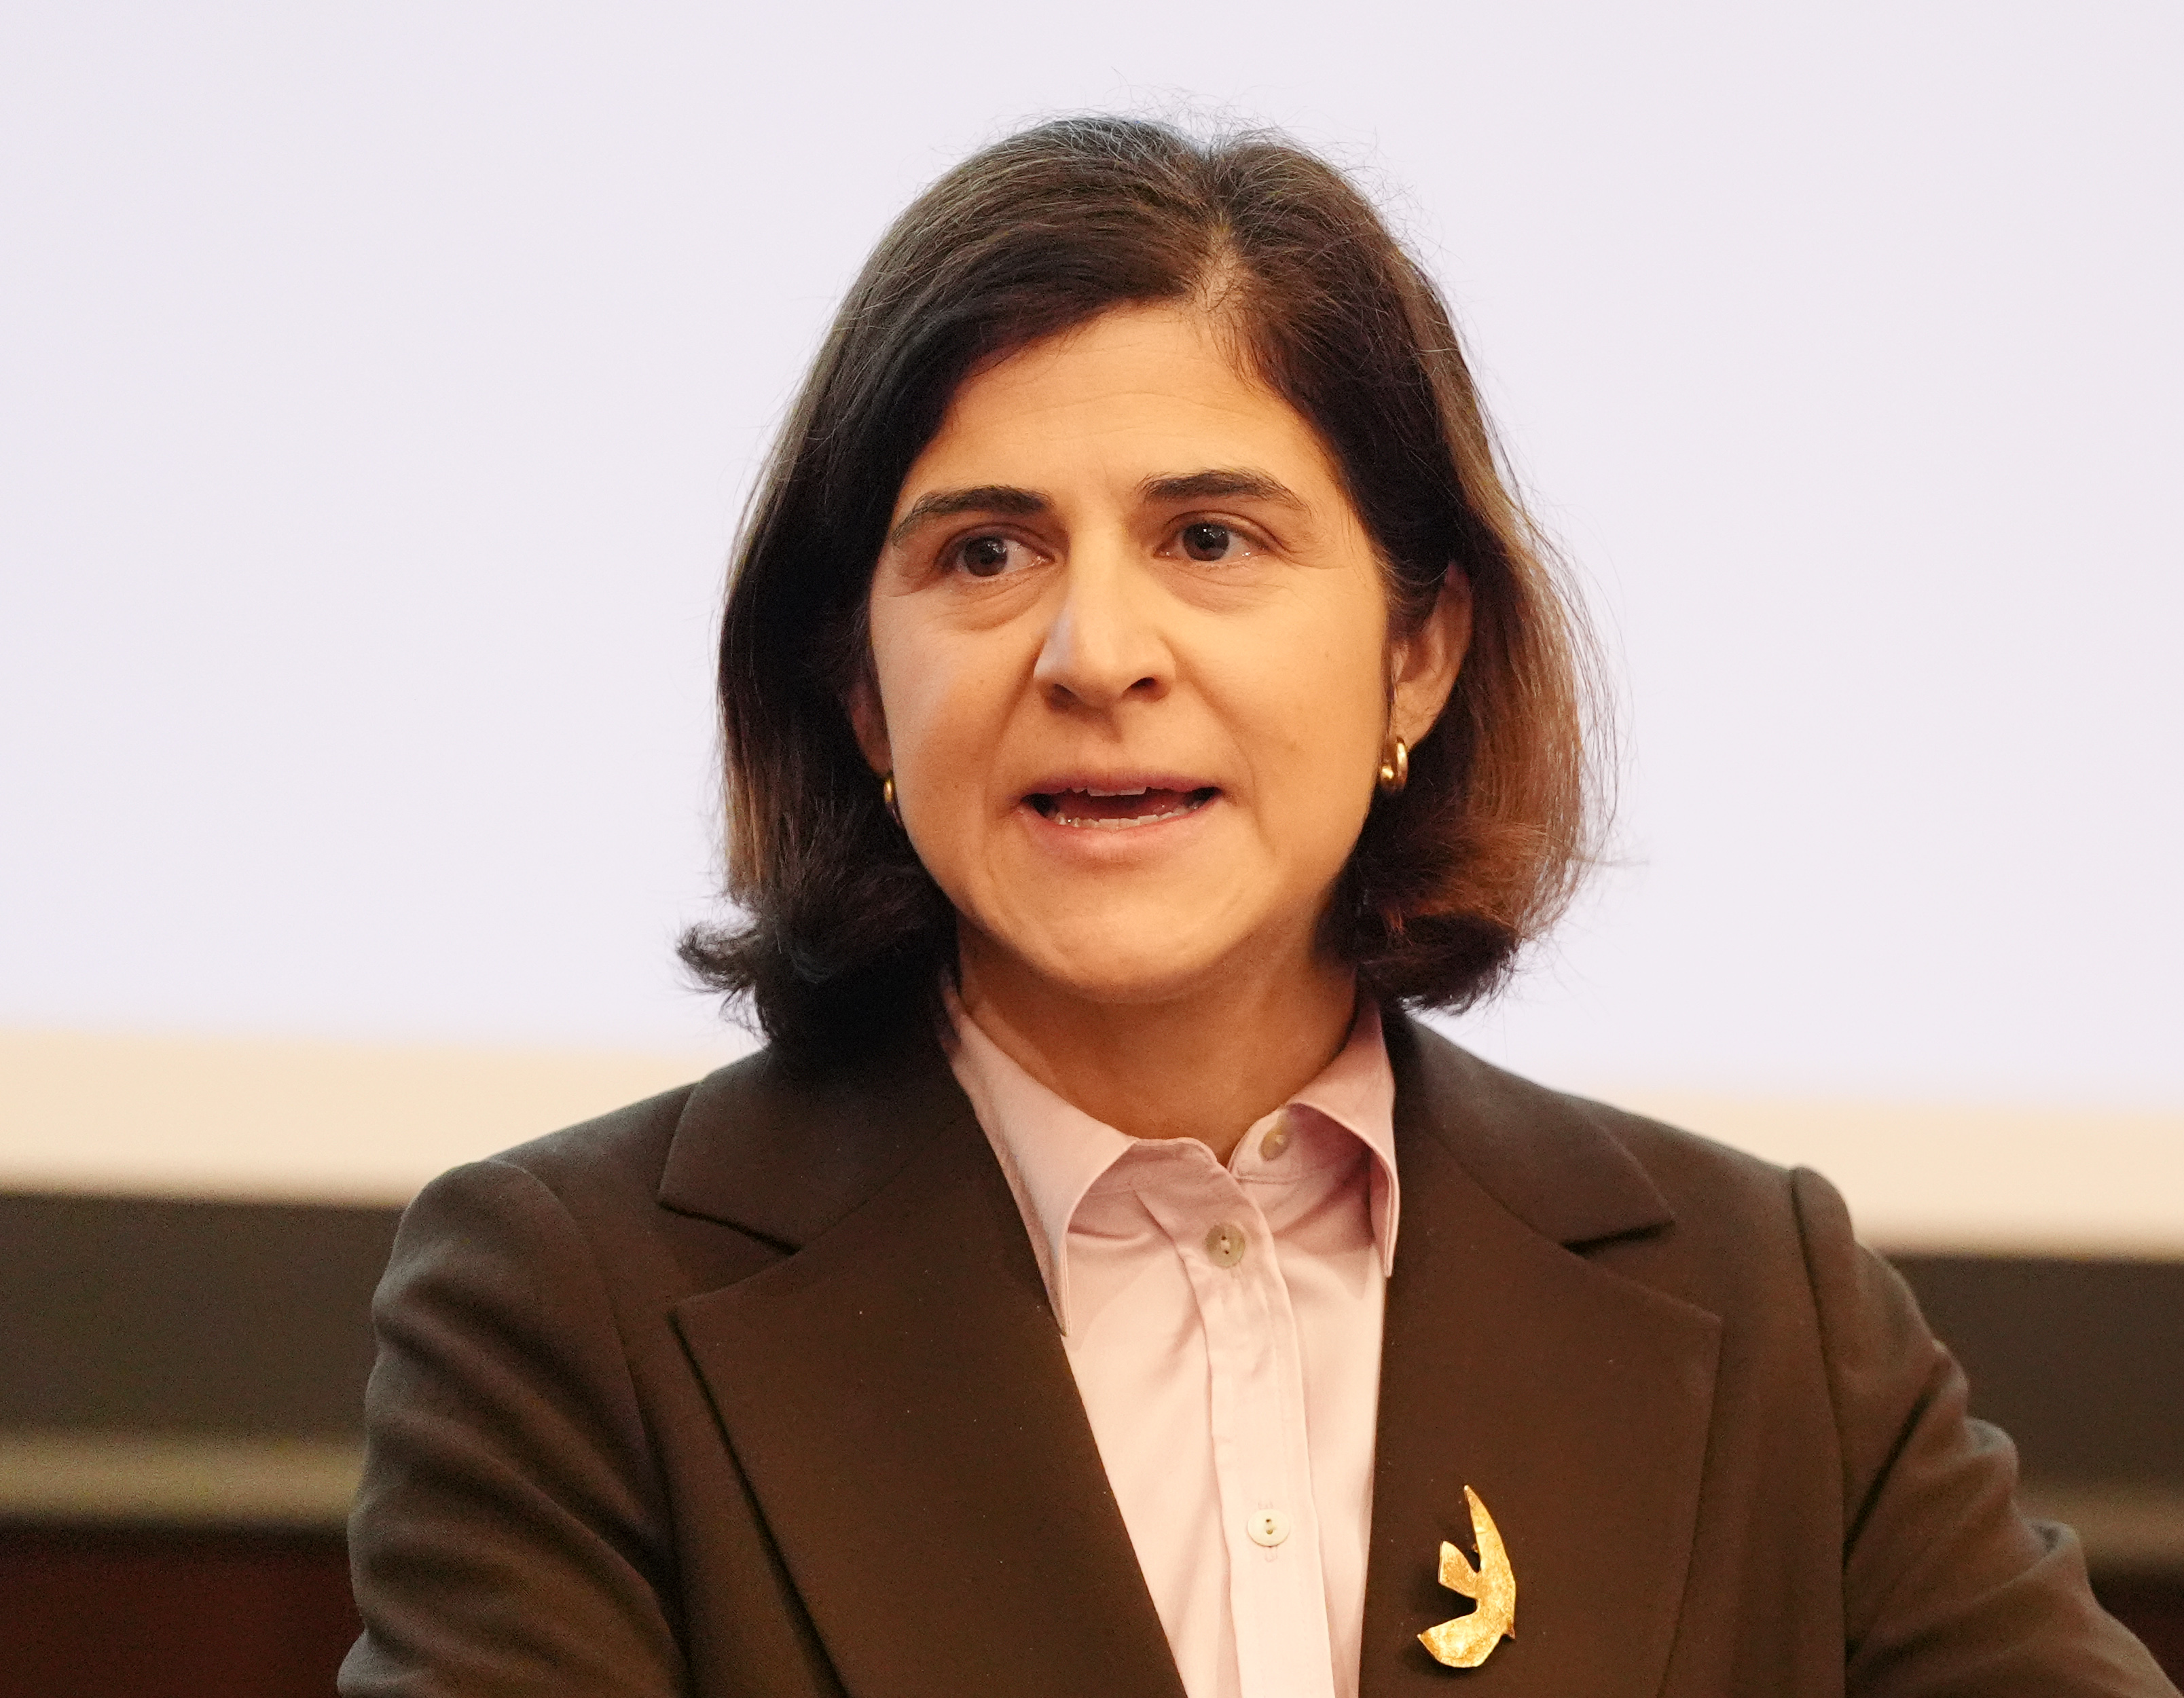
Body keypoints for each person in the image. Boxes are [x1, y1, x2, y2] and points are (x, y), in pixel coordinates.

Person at [340, 117, 2176, 1698]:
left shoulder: (1762, 1301)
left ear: (1416, 653)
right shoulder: (568, 1309)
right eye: (987, 553)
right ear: (857, 692)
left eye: (1210, 540)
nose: (1094, 653)